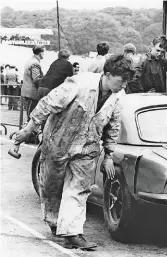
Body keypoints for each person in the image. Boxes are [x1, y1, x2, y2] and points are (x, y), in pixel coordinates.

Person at [12, 54, 133, 250]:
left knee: (79, 189)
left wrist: (109, 155)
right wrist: (28, 130)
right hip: (59, 142)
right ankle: (54, 223)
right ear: (108, 74)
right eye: (121, 80)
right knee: (53, 187)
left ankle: (73, 233)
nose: (124, 85)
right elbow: (47, 104)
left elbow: (113, 127)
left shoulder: (119, 97)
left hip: (88, 147)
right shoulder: (79, 84)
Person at [21, 45, 44, 120]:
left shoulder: (30, 61)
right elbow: (36, 79)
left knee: (30, 115)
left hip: (28, 93)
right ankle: (30, 131)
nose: (44, 54)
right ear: (40, 53)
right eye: (43, 52)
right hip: (32, 94)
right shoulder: (35, 64)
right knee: (32, 116)